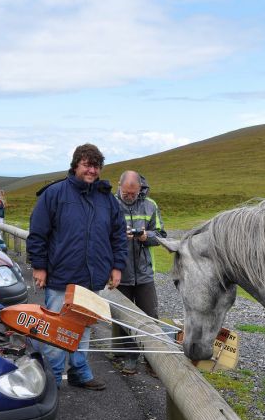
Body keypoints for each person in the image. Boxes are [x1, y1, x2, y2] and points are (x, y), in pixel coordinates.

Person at [27, 143, 127, 390]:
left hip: (93, 277)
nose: (92, 171)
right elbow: (38, 232)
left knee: (83, 327)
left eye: (96, 166)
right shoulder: (55, 194)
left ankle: (80, 373)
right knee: (57, 329)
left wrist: (117, 266)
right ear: (75, 165)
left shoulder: (107, 199)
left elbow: (118, 235)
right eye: (87, 165)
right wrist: (39, 266)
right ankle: (51, 379)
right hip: (62, 275)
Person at [114, 171, 166, 375]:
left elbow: (161, 234)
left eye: (133, 193)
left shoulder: (150, 205)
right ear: (119, 186)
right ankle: (130, 358)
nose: (129, 196)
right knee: (126, 318)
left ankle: (154, 358)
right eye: (125, 193)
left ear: (140, 189)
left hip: (145, 273)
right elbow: (101, 235)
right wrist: (119, 237)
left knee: (151, 315)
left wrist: (147, 236)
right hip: (120, 272)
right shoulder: (110, 204)